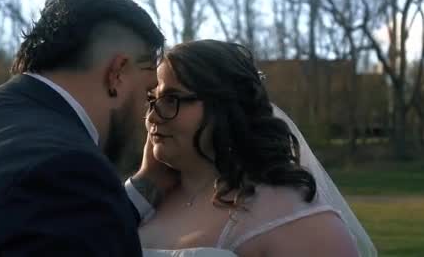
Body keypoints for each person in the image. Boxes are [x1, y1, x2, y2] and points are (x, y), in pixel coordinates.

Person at [0, 0, 177, 256]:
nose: (148, 112)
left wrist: (146, 188)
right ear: (117, 73)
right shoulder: (68, 169)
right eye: (148, 92)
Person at [135, 40, 377, 257]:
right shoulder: (147, 201)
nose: (152, 117)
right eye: (151, 101)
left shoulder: (288, 213)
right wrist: (144, 183)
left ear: (225, 106)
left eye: (171, 99)